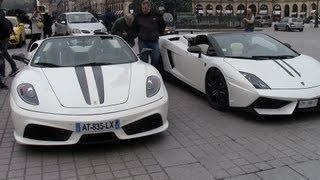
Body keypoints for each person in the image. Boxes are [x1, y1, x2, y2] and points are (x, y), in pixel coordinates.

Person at [132, 0, 165, 71]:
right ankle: (145, 72)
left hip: (154, 41)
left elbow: (162, 25)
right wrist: (138, 34)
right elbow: (134, 27)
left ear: (149, 7)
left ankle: (153, 71)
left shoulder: (156, 15)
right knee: (144, 59)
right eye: (143, 8)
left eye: (146, 8)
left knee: (156, 58)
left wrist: (158, 33)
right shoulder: (138, 16)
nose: (144, 10)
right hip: (143, 41)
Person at [0, 9, 19, 78]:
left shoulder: (1, 19)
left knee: (2, 54)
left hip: (2, 38)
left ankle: (2, 74)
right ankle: (14, 67)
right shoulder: (5, 19)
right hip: (6, 37)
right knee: (4, 54)